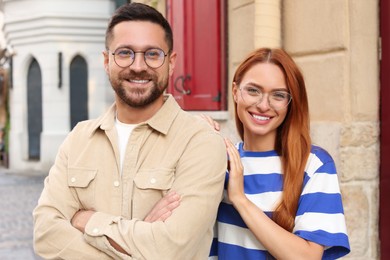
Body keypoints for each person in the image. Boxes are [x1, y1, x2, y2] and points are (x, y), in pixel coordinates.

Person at [33, 3, 226, 259]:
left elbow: (171, 249)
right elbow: (45, 235)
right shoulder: (78, 139)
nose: (138, 66)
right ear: (106, 60)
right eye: (125, 53)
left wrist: (87, 220)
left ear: (171, 62)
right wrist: (142, 239)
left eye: (152, 54)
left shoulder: (199, 142)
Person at [207, 48, 351, 259]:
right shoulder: (220, 162)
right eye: (253, 91)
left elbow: (307, 257)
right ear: (235, 91)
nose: (264, 105)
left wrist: (240, 200)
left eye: (278, 95)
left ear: (290, 103)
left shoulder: (314, 165)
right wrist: (190, 137)